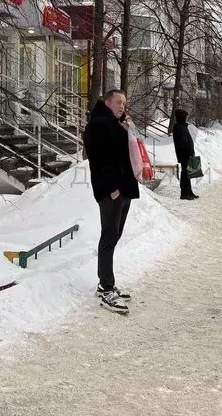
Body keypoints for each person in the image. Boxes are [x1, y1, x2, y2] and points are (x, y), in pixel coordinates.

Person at [83, 89, 139, 314]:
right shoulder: (97, 125)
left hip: (124, 189)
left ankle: (107, 282)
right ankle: (106, 287)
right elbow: (98, 161)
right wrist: (111, 189)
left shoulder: (117, 124)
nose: (122, 106)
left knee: (114, 236)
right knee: (108, 237)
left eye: (124, 103)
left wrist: (129, 131)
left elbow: (127, 154)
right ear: (107, 102)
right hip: (112, 192)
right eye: (118, 102)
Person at [172, 109, 199, 201]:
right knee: (185, 173)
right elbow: (183, 142)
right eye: (185, 117)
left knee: (188, 173)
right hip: (184, 154)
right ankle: (184, 193)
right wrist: (189, 150)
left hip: (187, 153)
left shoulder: (182, 126)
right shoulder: (179, 127)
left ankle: (189, 191)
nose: (186, 118)